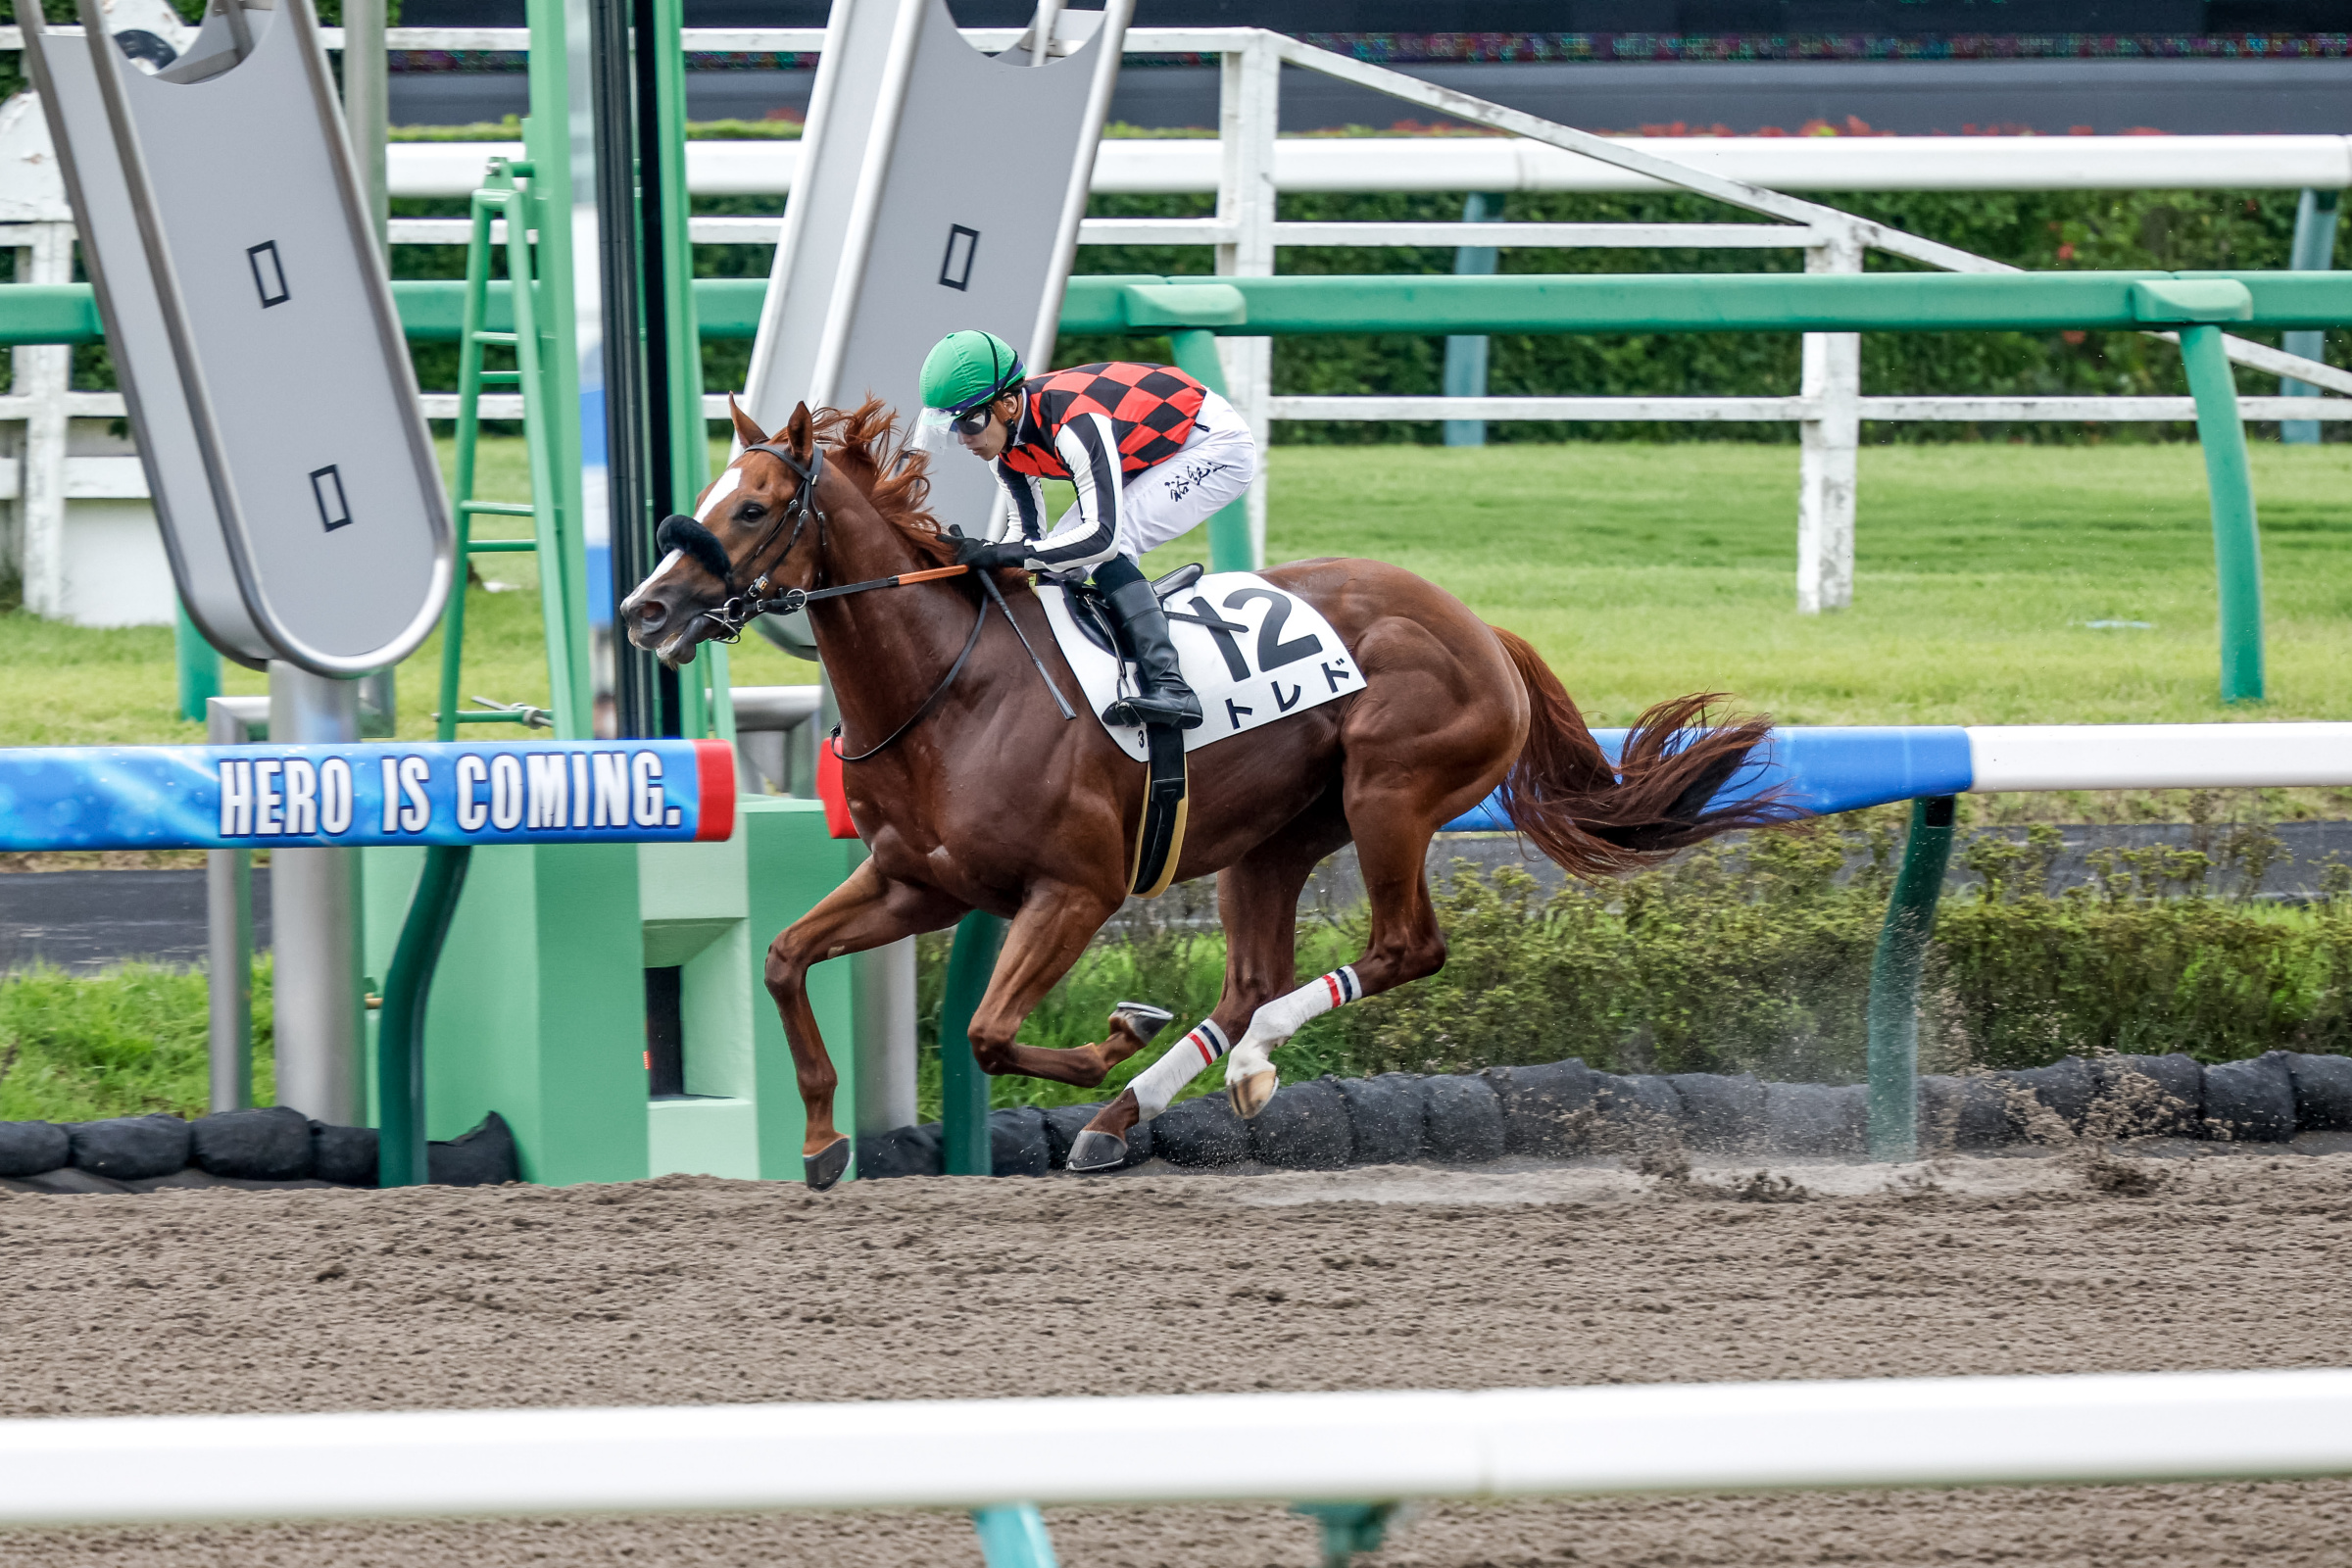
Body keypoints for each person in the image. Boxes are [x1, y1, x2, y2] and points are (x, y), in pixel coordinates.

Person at [915, 328, 1259, 730]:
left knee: (1109, 549)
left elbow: (1101, 538)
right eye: (951, 428)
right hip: (1146, 447)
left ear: (1007, 404)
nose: (963, 439)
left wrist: (1001, 555)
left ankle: (1172, 688)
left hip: (1211, 445)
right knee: (1056, 567)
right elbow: (1025, 539)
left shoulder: (1075, 425)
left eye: (969, 423)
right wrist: (980, 562)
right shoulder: (1003, 449)